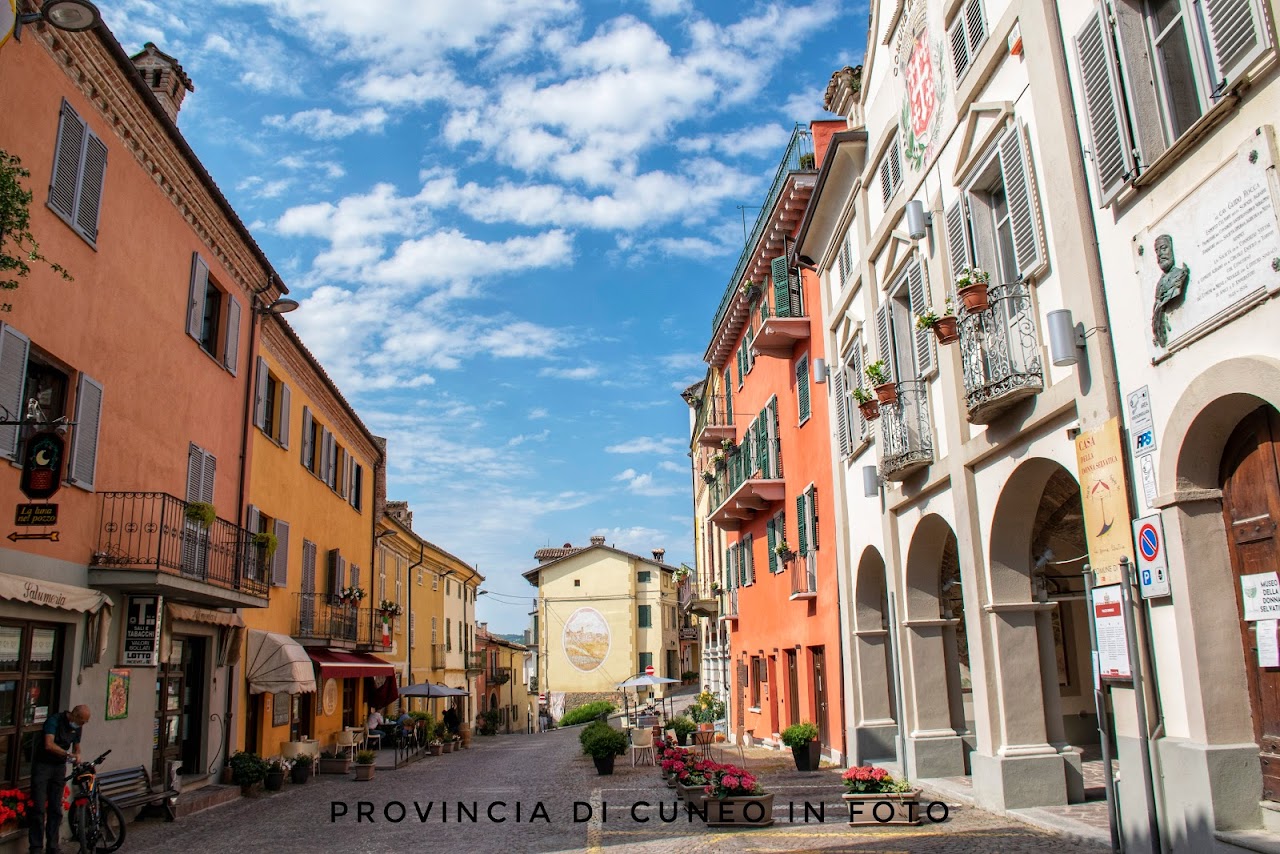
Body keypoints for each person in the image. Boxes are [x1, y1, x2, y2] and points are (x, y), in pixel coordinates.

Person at [30, 704, 89, 854]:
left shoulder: (78, 726)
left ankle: (53, 845)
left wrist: (78, 755)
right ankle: (36, 846)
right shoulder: (54, 720)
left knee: (56, 807)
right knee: (38, 807)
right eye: (81, 721)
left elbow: (77, 746)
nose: (81, 724)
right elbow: (49, 744)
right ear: (74, 715)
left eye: (84, 723)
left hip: (59, 767)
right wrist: (67, 755)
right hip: (43, 765)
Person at [1151, 233, 1190, 348]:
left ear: (1172, 249)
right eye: (1157, 251)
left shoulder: (1179, 274)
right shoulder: (1159, 284)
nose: (1160, 254)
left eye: (1163, 248)